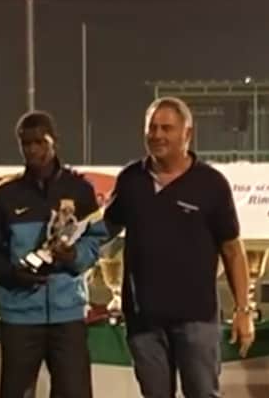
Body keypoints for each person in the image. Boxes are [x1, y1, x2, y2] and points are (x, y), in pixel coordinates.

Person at [104, 96, 255, 398]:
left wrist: (243, 310)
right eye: (152, 128)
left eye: (166, 128)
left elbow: (232, 250)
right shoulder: (131, 180)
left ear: (187, 133)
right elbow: (104, 231)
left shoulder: (211, 184)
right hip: (144, 322)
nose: (157, 135)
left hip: (196, 320)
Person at [0, 110, 107, 398]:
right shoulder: (4, 194)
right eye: (26, 143)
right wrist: (13, 276)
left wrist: (73, 256)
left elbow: (96, 240)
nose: (33, 149)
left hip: (68, 315)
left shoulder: (80, 189)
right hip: (20, 318)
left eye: (40, 142)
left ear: (55, 141)